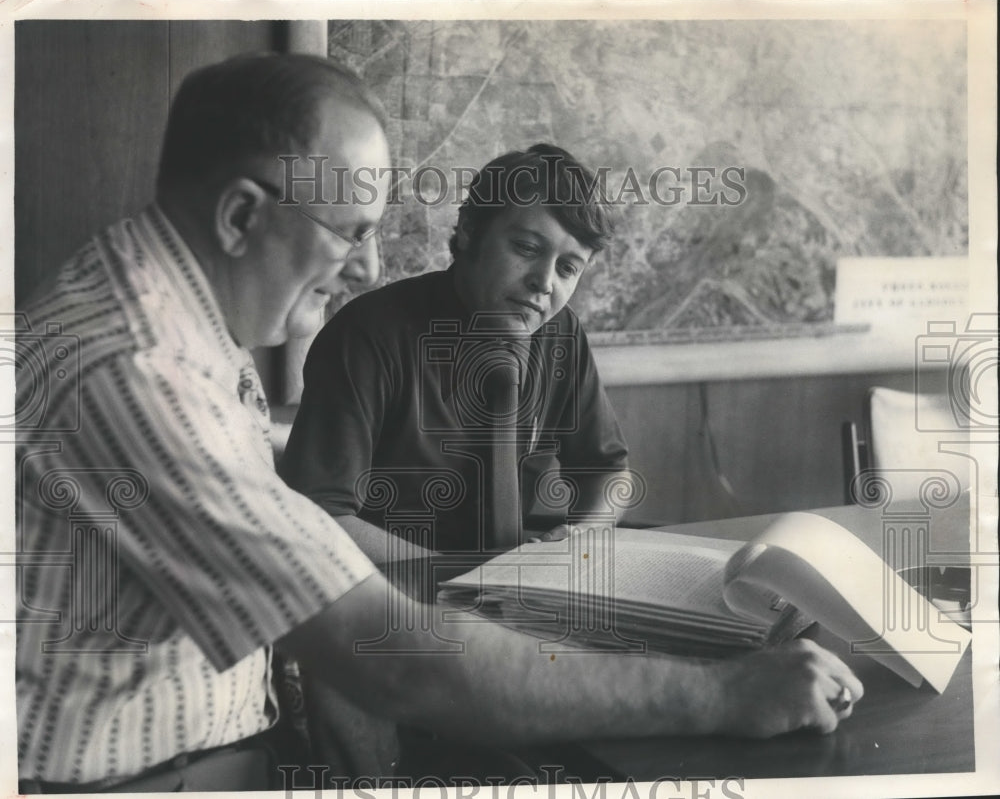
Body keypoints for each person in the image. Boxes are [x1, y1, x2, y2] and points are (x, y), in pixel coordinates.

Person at [16, 52, 863, 794]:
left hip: (230, 740)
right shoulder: (138, 370)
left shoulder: (168, 313)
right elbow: (401, 663)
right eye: (351, 231)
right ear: (241, 216)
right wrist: (724, 694)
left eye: (569, 265)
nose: (372, 265)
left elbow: (606, 468)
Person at [279, 144, 631, 559]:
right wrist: (462, 578)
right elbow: (321, 516)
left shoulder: (562, 334)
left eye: (568, 268)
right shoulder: (368, 335)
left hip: (510, 586)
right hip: (389, 591)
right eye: (527, 249)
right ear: (469, 231)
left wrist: (579, 538)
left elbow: (607, 472)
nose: (545, 282)